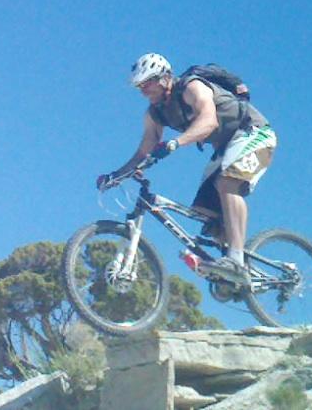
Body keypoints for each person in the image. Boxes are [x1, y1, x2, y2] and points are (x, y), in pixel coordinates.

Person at [96, 53, 278, 283]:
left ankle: (236, 261)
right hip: (225, 148)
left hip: (254, 133)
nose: (144, 90)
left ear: (164, 78)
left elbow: (208, 121)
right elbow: (143, 152)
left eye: (147, 83)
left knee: (227, 183)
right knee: (204, 212)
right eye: (139, 86)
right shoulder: (155, 113)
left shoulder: (192, 87)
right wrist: (116, 176)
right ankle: (230, 274)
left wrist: (176, 142)